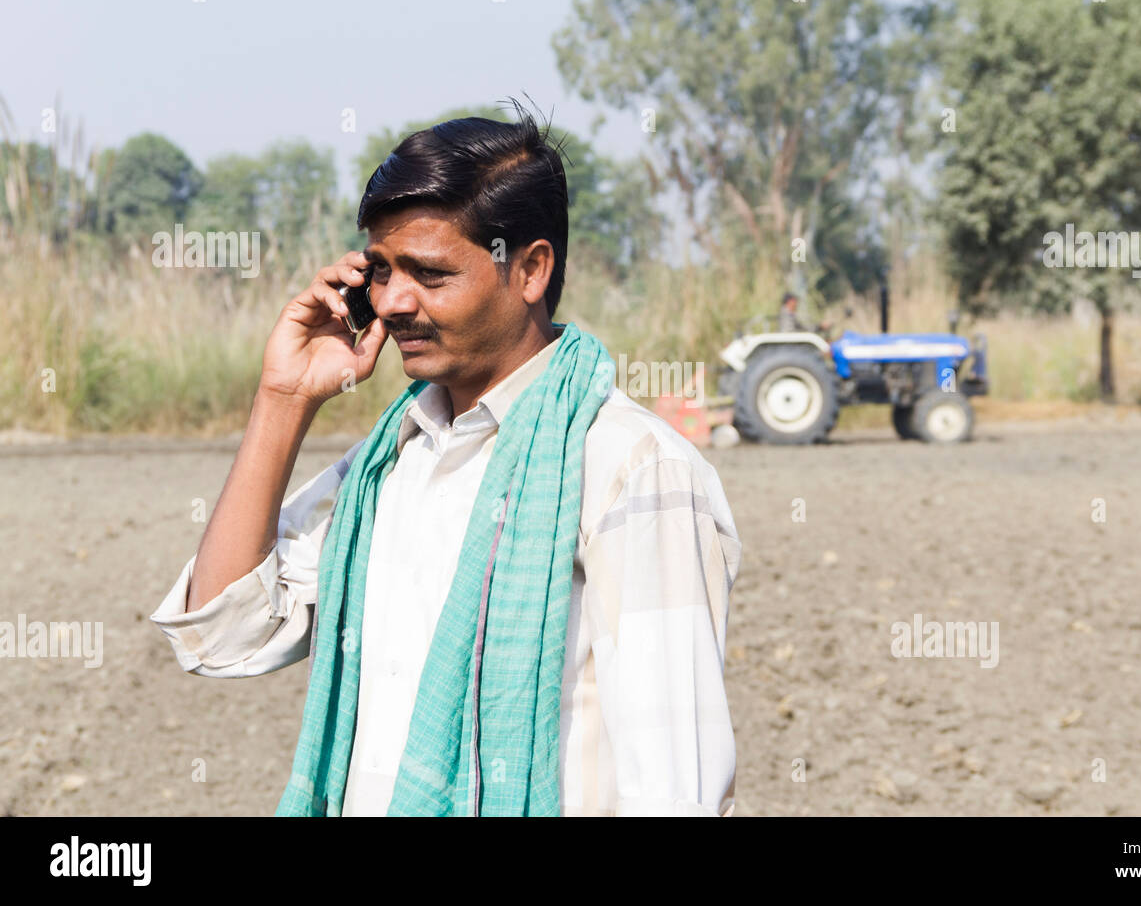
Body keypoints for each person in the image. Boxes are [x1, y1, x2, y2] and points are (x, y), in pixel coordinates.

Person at [149, 108, 741, 817]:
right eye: (381, 271)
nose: (394, 302)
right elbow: (222, 637)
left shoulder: (631, 465)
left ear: (530, 269)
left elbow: (677, 788)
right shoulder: (390, 463)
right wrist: (284, 397)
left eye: (429, 273)